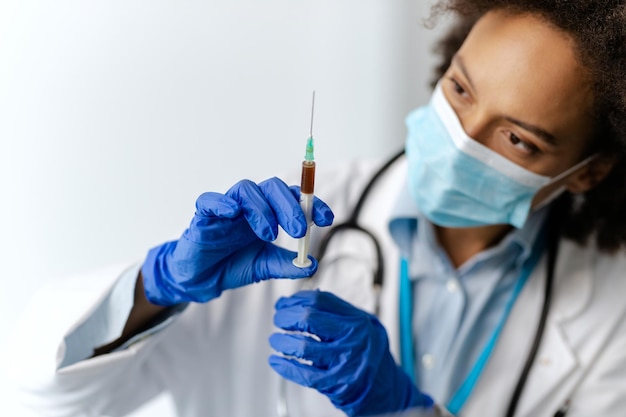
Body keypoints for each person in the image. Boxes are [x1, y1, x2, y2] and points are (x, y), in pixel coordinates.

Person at [5, 0, 626, 416]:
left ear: (588, 171)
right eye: (460, 90)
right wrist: (157, 286)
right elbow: (41, 389)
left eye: (516, 138)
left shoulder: (610, 317)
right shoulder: (280, 230)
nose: (463, 137)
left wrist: (401, 411)